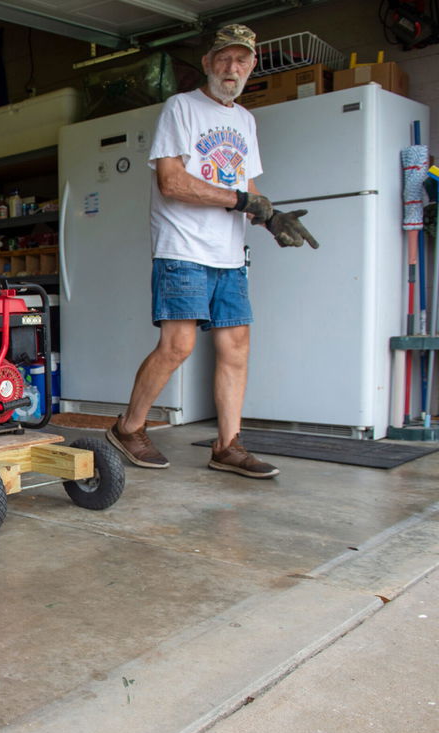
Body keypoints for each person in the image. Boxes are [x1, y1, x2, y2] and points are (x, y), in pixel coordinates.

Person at [105, 23, 318, 479]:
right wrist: (243, 201)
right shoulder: (181, 107)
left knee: (236, 346)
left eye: (241, 60)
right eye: (223, 58)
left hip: (228, 253)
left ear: (252, 66)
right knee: (178, 345)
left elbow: (247, 186)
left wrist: (270, 217)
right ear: (207, 63)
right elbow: (172, 181)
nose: (232, 67)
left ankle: (227, 446)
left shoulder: (245, 120)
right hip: (182, 246)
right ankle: (129, 427)